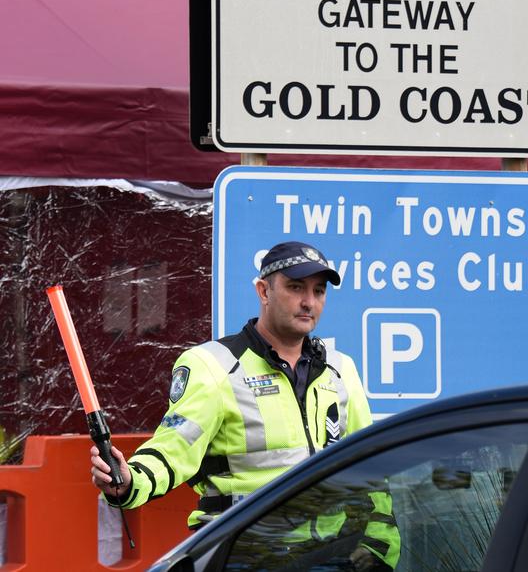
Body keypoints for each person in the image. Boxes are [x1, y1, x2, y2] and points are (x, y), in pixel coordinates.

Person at [90, 240, 399, 569]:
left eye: (319, 291)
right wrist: (129, 482)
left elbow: (371, 474)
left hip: (329, 558)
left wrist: (380, 551)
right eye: (295, 287)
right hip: (242, 554)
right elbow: (174, 448)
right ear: (263, 291)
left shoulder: (340, 369)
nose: (309, 302)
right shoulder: (214, 365)